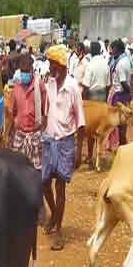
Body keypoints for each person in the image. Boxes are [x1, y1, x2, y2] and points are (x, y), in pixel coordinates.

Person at [41, 44, 85, 251]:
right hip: (49, 140)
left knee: (60, 188)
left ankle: (58, 231)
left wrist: (79, 150)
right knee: (43, 184)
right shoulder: (48, 83)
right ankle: (54, 216)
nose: (49, 68)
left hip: (66, 141)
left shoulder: (73, 87)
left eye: (52, 64)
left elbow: (81, 122)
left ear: (61, 65)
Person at [7, 53, 46, 170]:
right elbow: (11, 113)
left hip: (35, 136)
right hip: (20, 136)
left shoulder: (39, 87)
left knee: (36, 172)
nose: (24, 74)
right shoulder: (16, 88)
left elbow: (45, 112)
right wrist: (9, 133)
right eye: (22, 71)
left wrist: (41, 131)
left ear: (31, 70)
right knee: (18, 171)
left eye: (26, 71)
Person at [108, 39, 133, 145]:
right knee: (122, 121)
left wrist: (130, 92)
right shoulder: (125, 60)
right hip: (123, 93)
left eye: (112, 49)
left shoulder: (120, 64)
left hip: (120, 94)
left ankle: (122, 142)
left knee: (119, 122)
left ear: (117, 49)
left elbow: (123, 81)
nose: (111, 51)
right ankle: (122, 141)